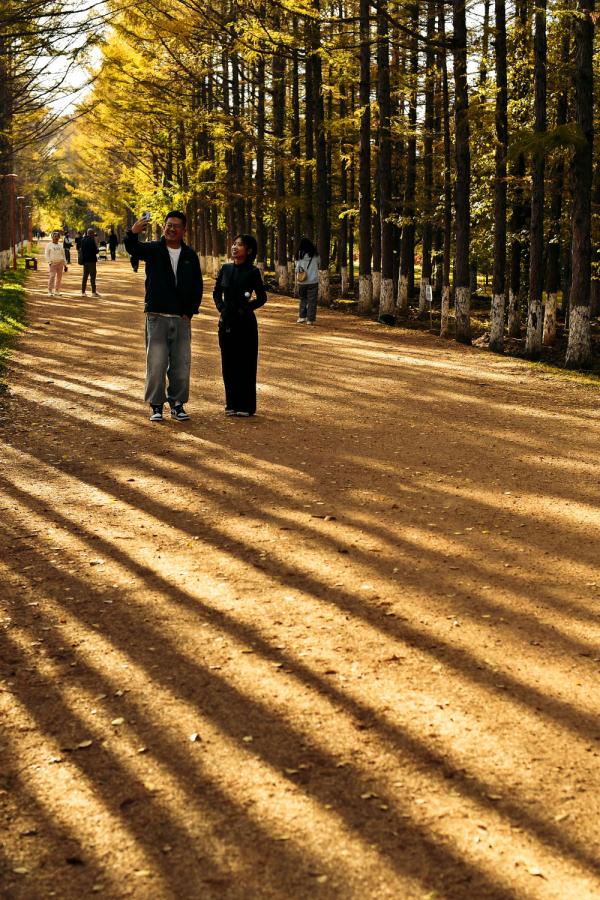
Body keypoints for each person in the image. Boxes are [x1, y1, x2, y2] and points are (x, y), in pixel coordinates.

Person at [124, 210, 203, 422]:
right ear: (164, 227)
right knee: (156, 363)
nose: (172, 228)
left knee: (181, 364)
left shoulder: (190, 255)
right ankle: (156, 405)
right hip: (157, 316)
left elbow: (197, 286)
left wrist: (190, 311)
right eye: (169, 225)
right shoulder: (153, 249)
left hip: (181, 318)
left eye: (177, 225)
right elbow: (133, 248)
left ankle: (177, 404)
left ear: (184, 230)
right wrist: (133, 233)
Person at [213, 234, 267, 417]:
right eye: (234, 244)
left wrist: (246, 309)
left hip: (246, 324)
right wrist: (222, 309)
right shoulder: (225, 269)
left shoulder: (252, 272)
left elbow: (262, 298)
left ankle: (246, 406)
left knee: (246, 363)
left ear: (249, 250)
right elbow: (216, 293)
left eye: (240, 245)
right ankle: (231, 404)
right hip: (226, 322)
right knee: (228, 363)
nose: (235, 247)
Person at [294, 237, 319, 325]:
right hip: (313, 281)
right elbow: (319, 263)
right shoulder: (315, 255)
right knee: (312, 301)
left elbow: (297, 268)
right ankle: (310, 320)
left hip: (302, 281)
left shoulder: (298, 255)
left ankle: (301, 317)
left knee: (303, 299)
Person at [45, 231, 68, 296]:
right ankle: (50, 291)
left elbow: (63, 255)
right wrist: (49, 262)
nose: (56, 238)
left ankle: (57, 291)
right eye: (55, 236)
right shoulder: (49, 245)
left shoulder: (60, 245)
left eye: (58, 236)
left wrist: (65, 265)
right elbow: (47, 254)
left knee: (59, 278)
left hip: (60, 263)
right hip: (53, 263)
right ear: (52, 237)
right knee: (52, 277)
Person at [80, 228, 100, 297]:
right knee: (93, 277)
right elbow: (96, 251)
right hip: (92, 261)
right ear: (91, 233)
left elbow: (81, 250)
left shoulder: (83, 240)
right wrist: (97, 248)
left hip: (85, 261)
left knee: (85, 276)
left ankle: (83, 292)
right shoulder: (93, 240)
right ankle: (93, 292)